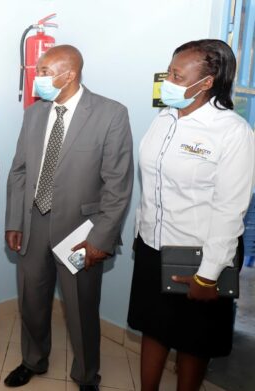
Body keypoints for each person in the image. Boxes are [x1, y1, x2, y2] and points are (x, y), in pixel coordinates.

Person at [128, 39, 255, 391]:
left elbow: (231, 209)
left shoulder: (232, 132)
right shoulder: (164, 117)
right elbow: (150, 183)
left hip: (198, 257)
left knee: (192, 341)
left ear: (207, 82)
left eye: (176, 75)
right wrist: (141, 234)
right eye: (169, 71)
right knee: (153, 329)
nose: (167, 80)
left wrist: (209, 273)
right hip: (154, 246)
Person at [4, 45, 133, 390]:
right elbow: (18, 171)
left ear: (69, 75)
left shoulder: (110, 114)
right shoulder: (35, 114)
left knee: (80, 309)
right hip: (34, 224)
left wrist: (100, 239)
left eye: (44, 71)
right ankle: (33, 359)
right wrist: (14, 221)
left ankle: (87, 374)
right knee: (31, 302)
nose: (38, 76)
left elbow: (118, 185)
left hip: (80, 231)